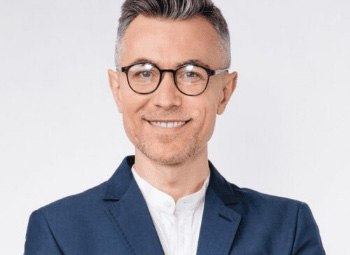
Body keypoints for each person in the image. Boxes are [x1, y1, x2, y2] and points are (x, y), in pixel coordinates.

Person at [24, 0, 325, 254]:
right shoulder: (59, 232)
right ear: (117, 90)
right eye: (144, 73)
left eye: (191, 74)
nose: (166, 99)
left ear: (224, 92)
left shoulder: (288, 228)